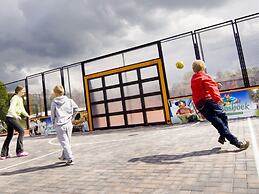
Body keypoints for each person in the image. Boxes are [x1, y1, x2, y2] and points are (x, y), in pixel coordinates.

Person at [191, 60, 249, 149]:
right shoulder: (205, 76)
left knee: (218, 123)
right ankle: (237, 143)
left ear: (194, 70)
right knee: (222, 118)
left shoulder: (194, 79)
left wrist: (215, 85)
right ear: (203, 67)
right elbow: (210, 88)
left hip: (200, 105)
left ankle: (223, 136)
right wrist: (218, 99)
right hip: (208, 102)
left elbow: (203, 87)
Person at [0, 85, 30, 160]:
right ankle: (19, 151)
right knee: (22, 131)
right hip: (11, 118)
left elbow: (22, 109)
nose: (24, 91)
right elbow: (11, 109)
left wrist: (28, 116)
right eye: (23, 90)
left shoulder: (20, 99)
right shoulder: (15, 98)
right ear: (19, 91)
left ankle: (3, 154)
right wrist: (16, 116)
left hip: (11, 118)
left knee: (10, 135)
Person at [51, 85, 79, 165]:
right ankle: (64, 156)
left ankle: (70, 159)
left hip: (60, 124)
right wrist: (72, 118)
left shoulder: (54, 102)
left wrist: (53, 122)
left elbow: (52, 114)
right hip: (68, 124)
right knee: (67, 142)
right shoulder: (69, 100)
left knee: (64, 142)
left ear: (55, 93)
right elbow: (76, 109)